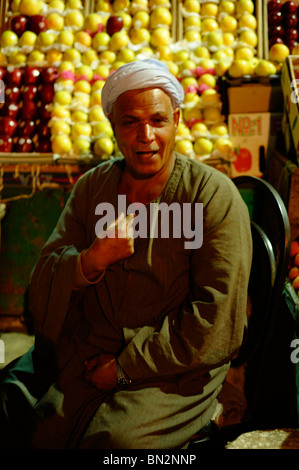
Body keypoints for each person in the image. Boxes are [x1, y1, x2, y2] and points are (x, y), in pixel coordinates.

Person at [0, 59, 252, 449]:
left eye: (157, 120)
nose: (145, 136)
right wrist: (89, 262)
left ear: (178, 120)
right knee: (39, 432)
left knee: (115, 444)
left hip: (175, 370)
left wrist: (122, 369)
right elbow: (43, 279)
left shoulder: (212, 197)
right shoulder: (93, 188)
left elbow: (215, 321)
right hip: (90, 353)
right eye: (130, 122)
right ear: (114, 128)